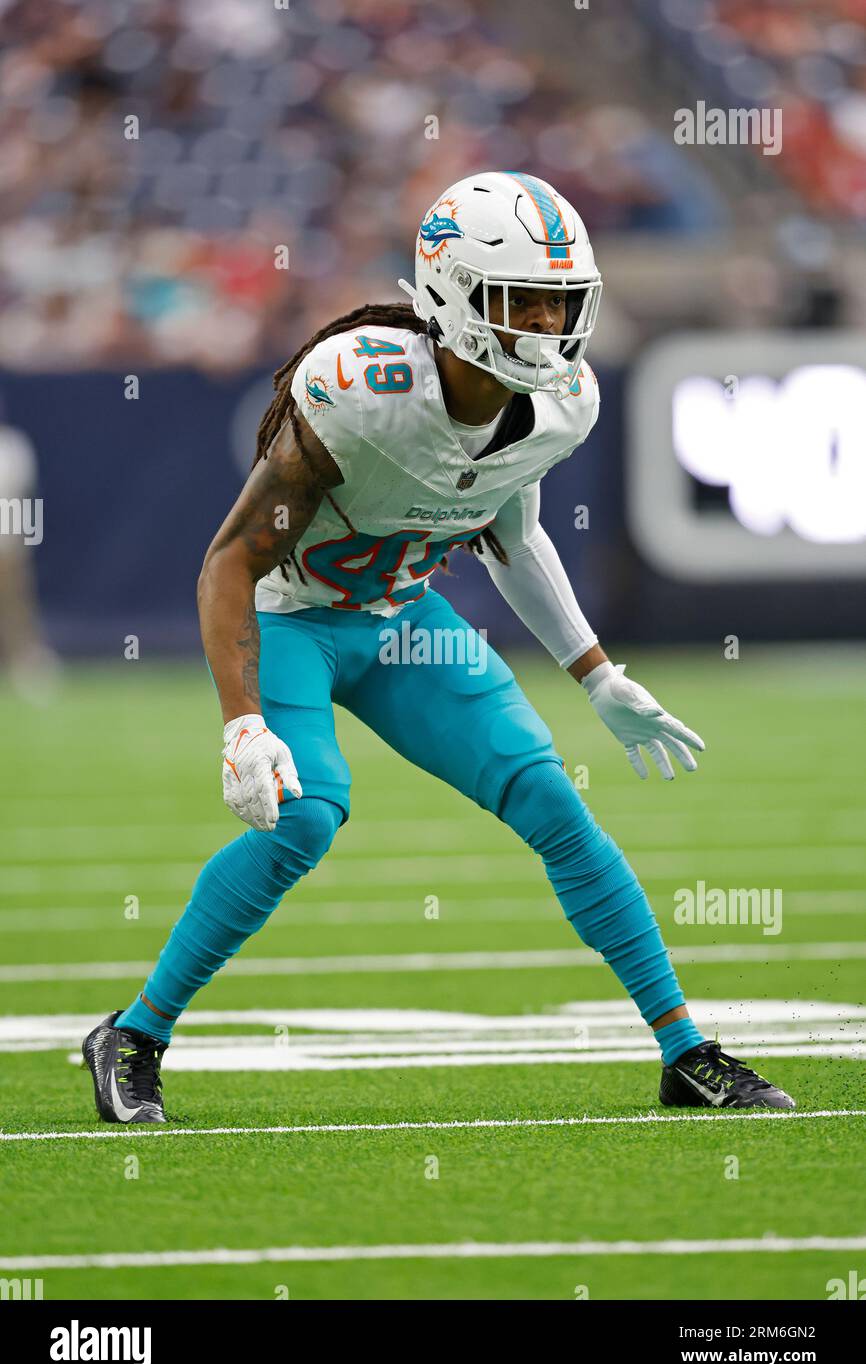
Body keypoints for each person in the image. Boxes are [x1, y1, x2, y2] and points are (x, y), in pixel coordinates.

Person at [82, 172, 794, 1122]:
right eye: (522, 300)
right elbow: (230, 562)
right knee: (303, 819)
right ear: (452, 294)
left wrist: (596, 674)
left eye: (559, 301)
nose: (545, 324)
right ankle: (133, 1033)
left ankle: (686, 1052)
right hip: (291, 617)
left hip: (401, 626)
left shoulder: (559, 403)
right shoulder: (365, 389)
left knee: (554, 800)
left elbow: (514, 532)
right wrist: (242, 724)